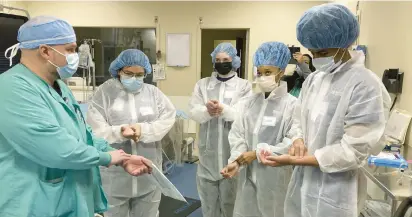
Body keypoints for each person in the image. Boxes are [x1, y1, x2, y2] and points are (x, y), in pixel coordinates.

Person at [0, 16, 152, 217]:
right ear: (45, 51)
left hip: (68, 199)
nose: (75, 56)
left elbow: (84, 134)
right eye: (70, 50)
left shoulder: (59, 86)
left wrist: (121, 157)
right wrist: (106, 157)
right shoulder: (12, 88)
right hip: (33, 203)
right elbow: (54, 147)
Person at [259, 4, 391, 217]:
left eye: (323, 52)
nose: (317, 57)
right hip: (303, 184)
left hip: (337, 191)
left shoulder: (365, 84)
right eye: (312, 51)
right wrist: (298, 140)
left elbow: (353, 151)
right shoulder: (314, 80)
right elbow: (298, 121)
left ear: (345, 43)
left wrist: (297, 160)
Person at [87, 49, 176, 217]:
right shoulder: (104, 93)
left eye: (140, 74)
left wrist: (144, 130)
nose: (134, 78)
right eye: (129, 73)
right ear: (118, 71)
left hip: (147, 171)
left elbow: (168, 118)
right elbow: (95, 129)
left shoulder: (153, 93)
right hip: (114, 175)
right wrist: (119, 132)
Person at [220, 41, 303, 217]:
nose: (262, 77)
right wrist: (236, 161)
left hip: (275, 178)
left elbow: (292, 141)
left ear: (281, 72)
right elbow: (237, 135)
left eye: (268, 72)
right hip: (247, 176)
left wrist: (257, 154)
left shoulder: (292, 105)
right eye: (259, 72)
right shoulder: (248, 103)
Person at [189, 42, 253, 217]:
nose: (221, 62)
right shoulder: (203, 84)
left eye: (226, 59)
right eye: (217, 59)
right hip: (207, 152)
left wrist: (223, 109)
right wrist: (207, 110)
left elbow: (244, 114)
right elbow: (194, 112)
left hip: (232, 150)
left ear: (234, 61)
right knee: (208, 202)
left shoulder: (244, 86)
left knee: (231, 200)